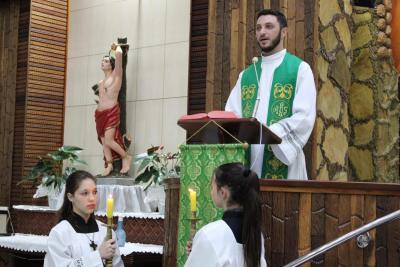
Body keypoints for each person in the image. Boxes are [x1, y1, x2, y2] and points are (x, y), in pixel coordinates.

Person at [225, 9, 316, 180]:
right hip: (247, 162)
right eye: (258, 28)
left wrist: (272, 132)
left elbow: (304, 116)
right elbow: (232, 114)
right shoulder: (247, 75)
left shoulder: (299, 69)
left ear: (284, 32)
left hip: (284, 161)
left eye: (269, 26)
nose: (262, 32)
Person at [185, 162, 267, 267]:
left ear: (223, 193)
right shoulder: (256, 232)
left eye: (212, 187)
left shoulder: (210, 234)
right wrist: (198, 252)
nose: (211, 192)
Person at [44, 170, 124, 267]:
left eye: (94, 192)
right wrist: (98, 255)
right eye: (85, 193)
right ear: (70, 197)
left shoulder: (105, 230)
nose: (92, 198)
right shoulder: (60, 233)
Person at [95, 42, 132, 176]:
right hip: (100, 114)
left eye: (105, 61)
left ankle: (125, 157)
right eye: (102, 61)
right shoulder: (100, 83)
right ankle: (109, 164)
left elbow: (119, 56)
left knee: (110, 140)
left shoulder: (117, 76)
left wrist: (116, 47)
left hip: (111, 112)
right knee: (104, 141)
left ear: (111, 64)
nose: (103, 63)